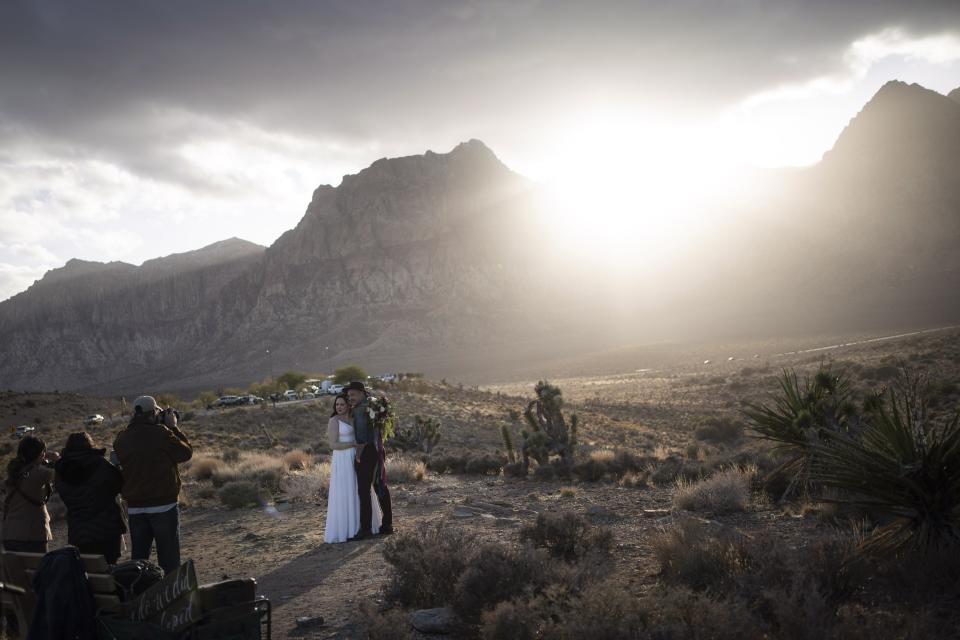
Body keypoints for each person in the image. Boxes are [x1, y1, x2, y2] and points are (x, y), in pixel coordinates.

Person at [113, 395, 192, 574]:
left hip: (135, 507)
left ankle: (140, 592)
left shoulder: (121, 438)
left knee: (139, 558)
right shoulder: (162, 433)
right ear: (153, 413)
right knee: (169, 556)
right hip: (163, 505)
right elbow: (185, 453)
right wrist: (173, 427)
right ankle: (171, 595)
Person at [54, 431, 126, 564]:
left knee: (90, 569)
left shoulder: (61, 469)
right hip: (106, 527)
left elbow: (62, 492)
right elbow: (119, 484)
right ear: (89, 444)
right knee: (110, 566)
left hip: (79, 531)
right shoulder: (100, 463)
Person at [324, 395, 380, 543]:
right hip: (342, 459)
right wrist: (353, 446)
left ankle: (362, 526)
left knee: (359, 490)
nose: (339, 407)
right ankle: (346, 529)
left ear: (348, 405)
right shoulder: (334, 421)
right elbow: (333, 445)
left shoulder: (354, 418)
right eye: (337, 405)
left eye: (342, 404)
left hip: (356, 456)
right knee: (345, 491)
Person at [347, 381, 393, 540]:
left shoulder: (360, 410)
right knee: (381, 485)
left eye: (352, 394)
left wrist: (357, 456)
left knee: (364, 491)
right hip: (378, 450)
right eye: (349, 395)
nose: (350, 398)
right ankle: (387, 525)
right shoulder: (373, 404)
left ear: (361, 393)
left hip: (366, 453)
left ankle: (365, 528)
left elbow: (362, 438)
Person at [2, 435, 58, 553]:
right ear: (39, 453)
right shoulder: (40, 473)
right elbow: (64, 474)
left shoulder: (14, 473)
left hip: (9, 534)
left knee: (18, 571)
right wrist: (56, 458)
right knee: (39, 570)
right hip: (33, 535)